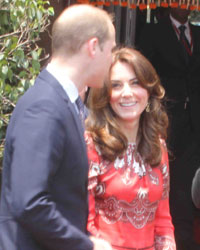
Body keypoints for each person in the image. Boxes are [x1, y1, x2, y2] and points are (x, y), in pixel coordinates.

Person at [0, 4, 116, 250]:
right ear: (93, 46)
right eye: (111, 50)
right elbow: (29, 202)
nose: (112, 59)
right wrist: (86, 245)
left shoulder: (63, 102)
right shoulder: (44, 106)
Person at [85, 47, 176, 250]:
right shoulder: (92, 146)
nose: (127, 93)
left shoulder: (157, 146)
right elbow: (85, 225)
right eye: (116, 86)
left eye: (136, 83)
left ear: (149, 91)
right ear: (105, 95)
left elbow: (163, 222)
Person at [138, 5, 200, 250]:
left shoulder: (197, 32)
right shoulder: (154, 32)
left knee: (185, 183)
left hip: (194, 122)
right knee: (161, 177)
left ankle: (183, 240)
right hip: (164, 119)